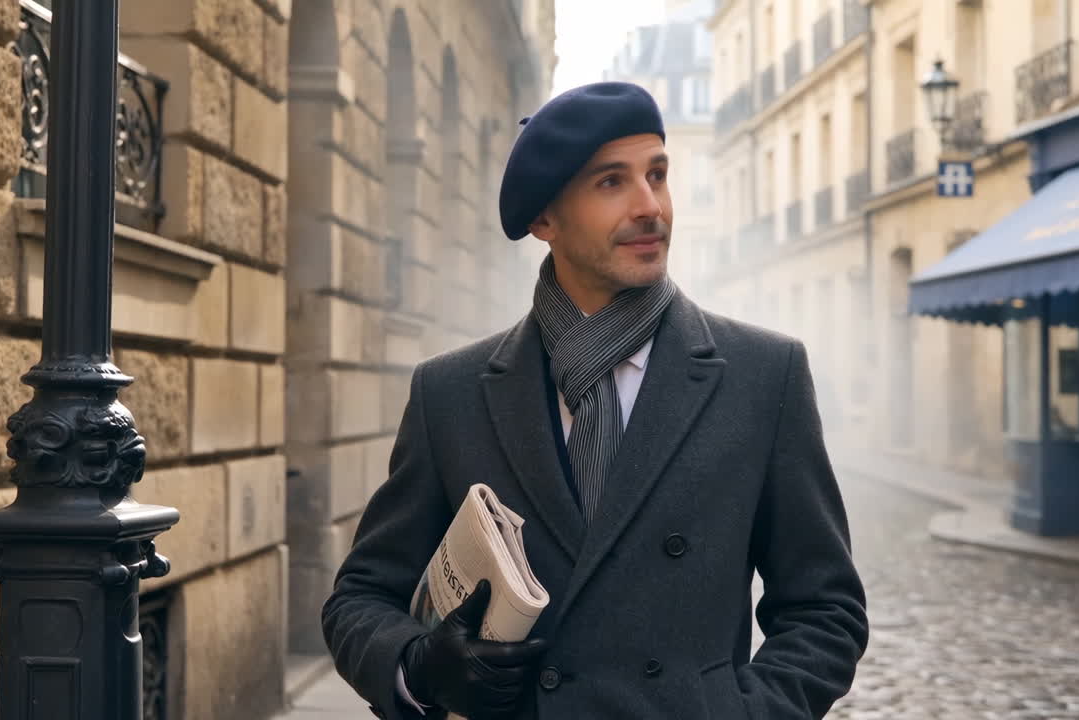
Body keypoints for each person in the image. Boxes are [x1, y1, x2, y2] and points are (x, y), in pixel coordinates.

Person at [322, 81, 868, 719]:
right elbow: (359, 598)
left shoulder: (763, 375)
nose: (651, 207)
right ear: (544, 219)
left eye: (657, 175)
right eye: (612, 182)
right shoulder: (451, 392)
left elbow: (825, 609)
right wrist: (419, 665)